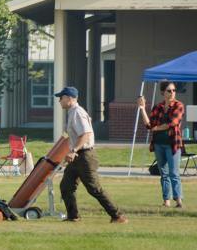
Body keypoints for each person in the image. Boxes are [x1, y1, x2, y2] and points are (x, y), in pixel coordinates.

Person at [56, 86, 127, 223]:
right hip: (77, 156)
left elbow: (86, 134)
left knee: (94, 188)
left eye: (61, 98)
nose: (59, 100)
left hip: (85, 156)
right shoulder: (72, 112)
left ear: (70, 99)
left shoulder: (77, 112)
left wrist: (73, 150)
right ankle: (73, 216)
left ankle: (117, 215)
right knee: (66, 186)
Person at [137, 82, 184, 208]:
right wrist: (142, 108)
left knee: (174, 173)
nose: (172, 92)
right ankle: (166, 200)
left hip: (172, 144)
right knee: (164, 173)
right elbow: (149, 125)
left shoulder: (178, 105)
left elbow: (172, 123)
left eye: (174, 90)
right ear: (163, 92)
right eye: (169, 90)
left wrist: (156, 128)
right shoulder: (157, 107)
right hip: (158, 144)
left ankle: (178, 200)